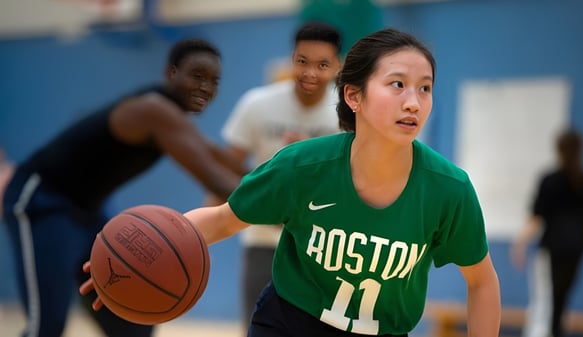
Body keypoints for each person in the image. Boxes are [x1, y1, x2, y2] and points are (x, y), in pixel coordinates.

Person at [82, 28, 501, 336]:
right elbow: (224, 219)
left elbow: (481, 281)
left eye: (425, 88)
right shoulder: (303, 166)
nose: (414, 101)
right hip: (290, 324)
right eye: (397, 85)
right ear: (354, 97)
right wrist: (134, 256)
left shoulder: (449, 189)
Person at [3, 38, 244, 337]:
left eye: (213, 81)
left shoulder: (172, 117)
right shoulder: (153, 111)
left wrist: (283, 172)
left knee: (132, 327)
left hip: (89, 211)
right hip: (43, 201)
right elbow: (216, 180)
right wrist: (286, 204)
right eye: (197, 75)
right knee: (46, 327)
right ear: (171, 74)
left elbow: (221, 158)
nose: (205, 87)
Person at [206, 20, 343, 329]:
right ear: (291, 59)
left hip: (322, 246)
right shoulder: (257, 104)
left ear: (337, 66)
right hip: (263, 239)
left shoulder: (346, 112)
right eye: (303, 61)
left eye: (322, 64)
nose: (310, 73)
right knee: (258, 327)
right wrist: (205, 233)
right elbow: (223, 169)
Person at [511, 129, 583, 337]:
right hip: (574, 256)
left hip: (550, 254)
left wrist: (520, 243)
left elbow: (536, 218)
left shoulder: (552, 181)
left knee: (543, 308)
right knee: (558, 308)